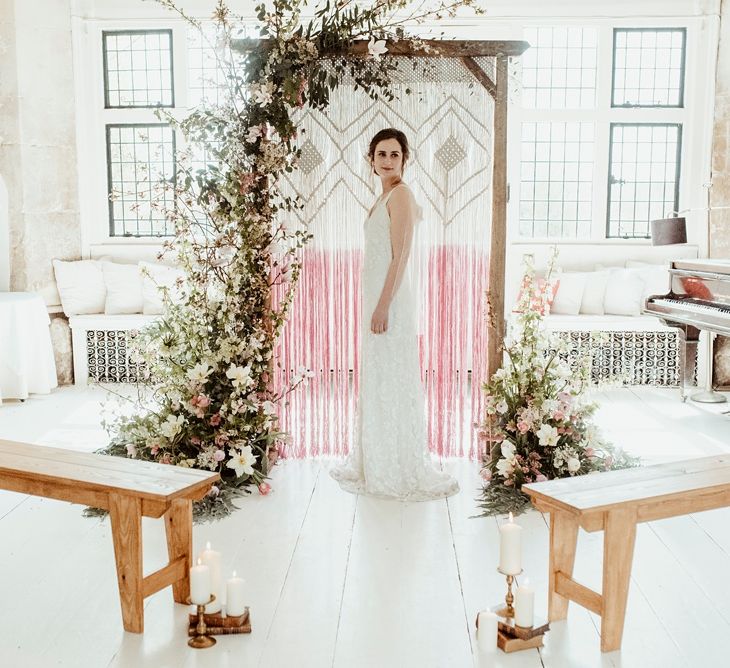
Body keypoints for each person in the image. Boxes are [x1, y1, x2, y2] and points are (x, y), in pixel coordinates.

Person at [330, 128, 459, 501]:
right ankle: (377, 460)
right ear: (371, 159)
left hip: (389, 303)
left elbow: (400, 255)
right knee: (380, 379)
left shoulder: (402, 195)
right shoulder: (382, 196)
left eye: (394, 155)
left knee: (392, 378)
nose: (387, 161)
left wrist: (383, 304)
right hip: (376, 299)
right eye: (381, 154)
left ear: (405, 160)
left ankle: (397, 466)